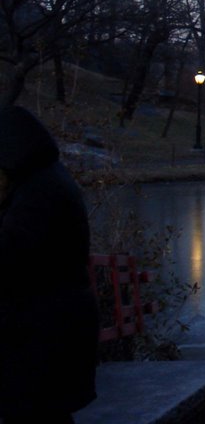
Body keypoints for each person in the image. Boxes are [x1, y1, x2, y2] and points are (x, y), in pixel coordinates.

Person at [0, 105, 98, 423]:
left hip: (42, 333)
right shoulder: (46, 181)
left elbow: (13, 258)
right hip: (56, 326)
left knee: (37, 413)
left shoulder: (38, 193)